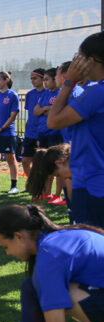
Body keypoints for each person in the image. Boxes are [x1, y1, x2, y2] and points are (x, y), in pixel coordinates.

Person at [47, 31, 104, 230]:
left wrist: (68, 82)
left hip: (93, 183)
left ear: (89, 61)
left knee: (91, 245)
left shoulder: (97, 93)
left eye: (78, 58)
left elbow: (53, 121)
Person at [34, 68, 64, 204]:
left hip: (55, 134)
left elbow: (57, 110)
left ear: (54, 79)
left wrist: (45, 109)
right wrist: (46, 109)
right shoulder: (44, 94)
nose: (44, 83)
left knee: (58, 165)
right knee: (45, 165)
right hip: (43, 133)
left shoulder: (61, 93)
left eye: (47, 79)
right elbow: (36, 111)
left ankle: (58, 195)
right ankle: (47, 193)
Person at [21, 68, 46, 181]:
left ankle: (42, 188)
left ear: (43, 78)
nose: (32, 81)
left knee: (41, 163)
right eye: (31, 79)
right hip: (30, 132)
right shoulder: (30, 94)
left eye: (35, 78)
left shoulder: (48, 94)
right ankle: (33, 184)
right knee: (25, 161)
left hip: (43, 132)